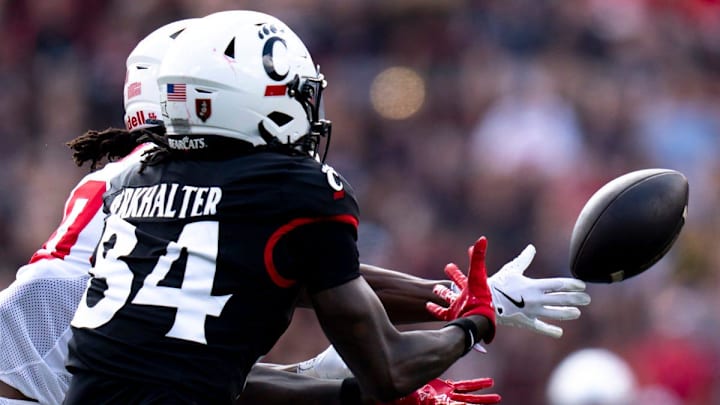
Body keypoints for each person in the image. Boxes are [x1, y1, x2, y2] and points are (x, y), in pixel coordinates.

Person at [61, 10, 587, 404]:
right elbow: (388, 370)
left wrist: (448, 299)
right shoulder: (294, 189)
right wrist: (476, 323)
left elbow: (203, 376)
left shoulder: (133, 182)